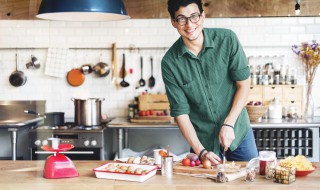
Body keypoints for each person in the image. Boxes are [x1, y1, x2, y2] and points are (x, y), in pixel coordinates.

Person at [161, 0, 258, 165]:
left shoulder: (227, 39)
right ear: (173, 23)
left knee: (251, 180)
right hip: (203, 141)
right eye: (181, 19)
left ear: (203, 17)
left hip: (238, 130)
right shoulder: (170, 63)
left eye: (194, 16)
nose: (189, 24)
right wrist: (201, 151)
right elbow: (180, 113)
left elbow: (244, 84)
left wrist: (229, 124)